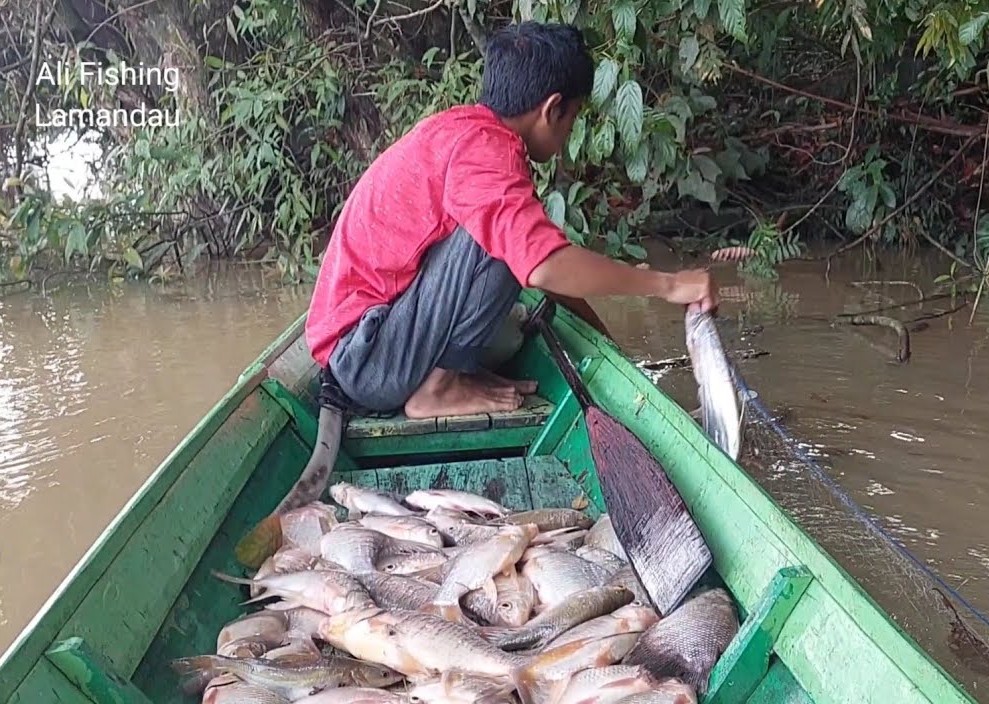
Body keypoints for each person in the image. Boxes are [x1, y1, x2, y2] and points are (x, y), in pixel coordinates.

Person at [303, 20, 717, 421]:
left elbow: (544, 272)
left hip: (367, 348)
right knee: (500, 241)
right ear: (553, 109)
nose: (569, 132)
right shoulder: (486, 155)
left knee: (508, 240)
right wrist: (669, 285)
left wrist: (610, 345)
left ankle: (444, 376)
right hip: (367, 358)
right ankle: (438, 388)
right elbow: (543, 266)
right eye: (572, 119)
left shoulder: (467, 133)